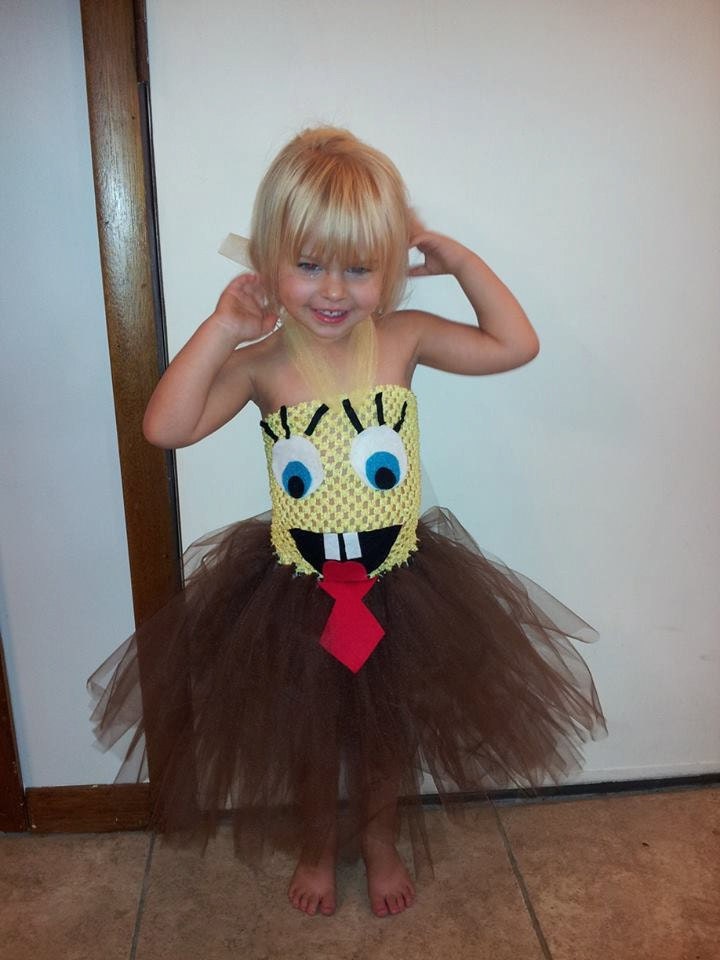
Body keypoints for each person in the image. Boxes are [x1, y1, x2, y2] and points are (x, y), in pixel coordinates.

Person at [90, 127, 604, 919]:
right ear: (269, 261)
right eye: (308, 264)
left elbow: (515, 344)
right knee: (312, 740)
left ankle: (381, 840)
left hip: (402, 586)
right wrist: (223, 328)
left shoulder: (403, 337)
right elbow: (166, 426)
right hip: (296, 592)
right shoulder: (262, 361)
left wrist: (459, 260)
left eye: (359, 269)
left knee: (385, 737)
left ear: (389, 269)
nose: (333, 290)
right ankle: (316, 847)